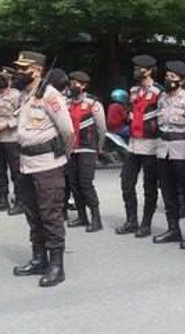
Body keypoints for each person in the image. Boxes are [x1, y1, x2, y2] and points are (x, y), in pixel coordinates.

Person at [11, 51, 74, 287]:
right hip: (26, 164)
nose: (18, 72)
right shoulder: (25, 95)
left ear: (36, 70)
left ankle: (57, 266)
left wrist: (61, 158)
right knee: (33, 213)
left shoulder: (50, 95)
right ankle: (39, 258)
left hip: (48, 164)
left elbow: (68, 131)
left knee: (50, 214)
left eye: (22, 68)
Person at [152, 61, 185, 248]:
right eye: (167, 76)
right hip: (164, 149)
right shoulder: (162, 98)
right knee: (167, 191)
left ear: (181, 80)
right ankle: (173, 229)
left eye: (172, 77)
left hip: (183, 149)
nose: (167, 79)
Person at [115, 55, 162, 238]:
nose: (136, 71)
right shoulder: (134, 90)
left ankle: (146, 224)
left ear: (148, 70)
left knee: (149, 187)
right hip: (133, 144)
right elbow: (131, 111)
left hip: (151, 145)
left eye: (139, 68)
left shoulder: (159, 92)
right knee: (126, 183)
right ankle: (131, 220)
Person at [65, 70, 106, 232]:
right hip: (71, 149)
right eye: (71, 82)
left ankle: (96, 218)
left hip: (87, 148)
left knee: (85, 183)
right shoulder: (67, 103)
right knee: (74, 184)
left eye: (76, 83)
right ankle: (82, 217)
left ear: (84, 86)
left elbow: (101, 128)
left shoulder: (93, 103)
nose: (72, 86)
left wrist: (99, 147)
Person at [0, 66, 23, 215]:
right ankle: (3, 200)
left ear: (11, 80)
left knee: (16, 172)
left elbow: (21, 116)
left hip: (12, 139)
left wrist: (7, 124)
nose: (0, 80)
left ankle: (20, 201)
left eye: (4, 78)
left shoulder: (17, 96)